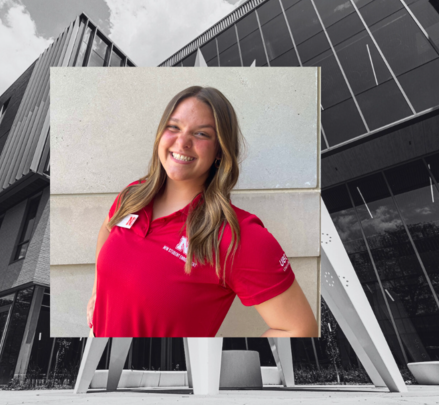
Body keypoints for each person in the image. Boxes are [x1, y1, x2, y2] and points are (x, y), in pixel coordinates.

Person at [87, 86, 317, 337]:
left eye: (201, 134)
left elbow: (300, 329)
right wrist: (98, 291)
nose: (182, 142)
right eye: (174, 127)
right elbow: (107, 229)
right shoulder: (134, 194)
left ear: (220, 151)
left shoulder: (237, 237)